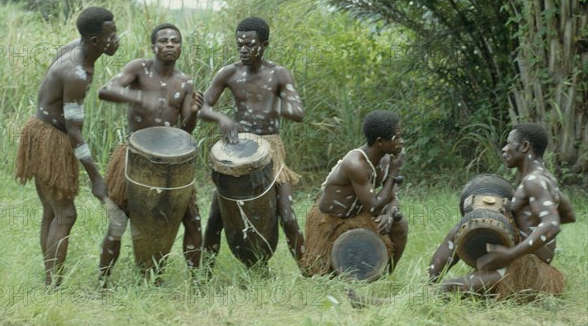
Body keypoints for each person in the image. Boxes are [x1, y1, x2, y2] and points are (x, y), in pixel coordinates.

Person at [15, 7, 120, 287]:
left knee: (52, 211)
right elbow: (74, 130)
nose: (117, 40)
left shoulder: (79, 47)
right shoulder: (76, 73)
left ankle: (50, 280)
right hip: (51, 138)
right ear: (95, 41)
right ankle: (53, 287)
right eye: (112, 36)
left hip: (40, 130)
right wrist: (96, 178)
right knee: (66, 213)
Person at [96, 23, 203, 283]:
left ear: (180, 47)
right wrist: (140, 98)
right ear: (154, 46)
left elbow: (185, 130)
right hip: (135, 154)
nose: (169, 44)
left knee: (192, 219)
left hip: (171, 161)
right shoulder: (138, 69)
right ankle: (102, 281)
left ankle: (196, 281)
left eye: (175, 41)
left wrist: (194, 112)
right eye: (164, 40)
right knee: (119, 220)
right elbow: (105, 91)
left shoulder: (185, 82)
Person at [199, 17, 305, 266]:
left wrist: (275, 104)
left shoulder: (278, 74)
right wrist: (221, 118)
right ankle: (202, 277)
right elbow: (202, 106)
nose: (244, 50)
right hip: (236, 149)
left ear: (265, 44)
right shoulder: (229, 73)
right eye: (240, 45)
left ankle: (310, 272)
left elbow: (298, 112)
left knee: (288, 216)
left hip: (271, 149)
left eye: (250, 45)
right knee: (216, 217)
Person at [428, 123, 576, 299]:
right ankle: (428, 282)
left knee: (448, 288)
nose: (504, 149)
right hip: (526, 266)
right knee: (462, 228)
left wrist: (511, 253)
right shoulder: (544, 178)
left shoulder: (533, 182)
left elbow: (552, 224)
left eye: (509, 143)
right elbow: (569, 215)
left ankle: (426, 288)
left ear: (525, 146)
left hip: (527, 272)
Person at [300, 110, 409, 277]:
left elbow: (392, 197)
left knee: (400, 223)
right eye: (397, 137)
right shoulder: (356, 164)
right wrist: (395, 172)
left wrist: (390, 213)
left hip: (359, 214)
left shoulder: (386, 159)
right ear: (380, 141)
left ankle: (387, 274)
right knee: (319, 275)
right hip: (329, 220)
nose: (402, 142)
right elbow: (373, 207)